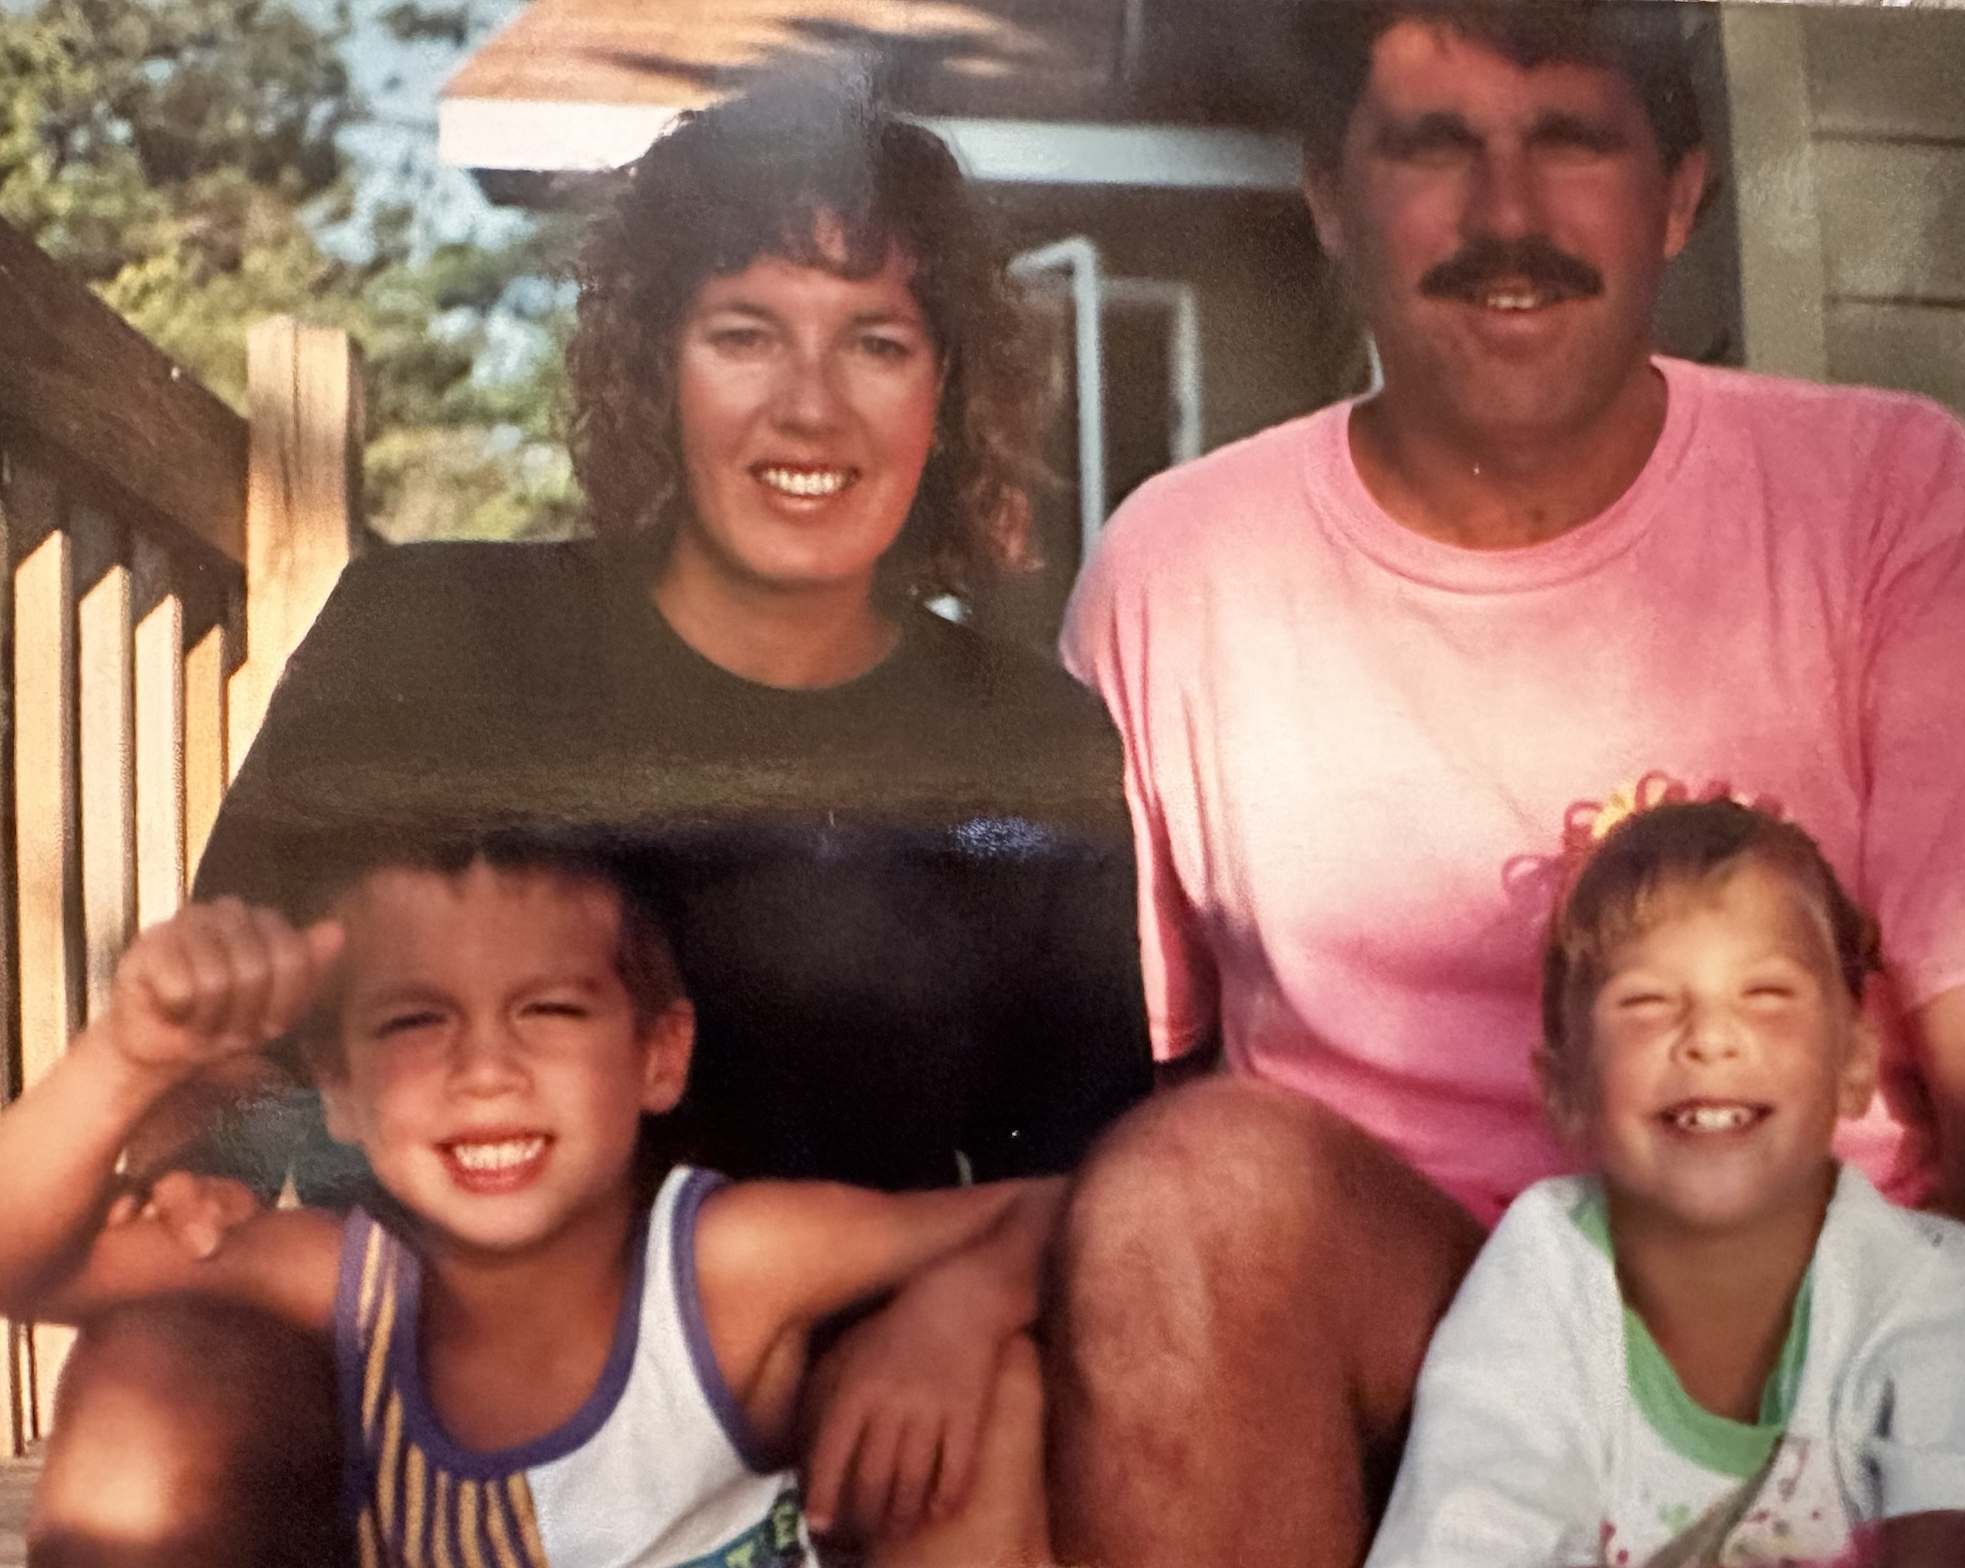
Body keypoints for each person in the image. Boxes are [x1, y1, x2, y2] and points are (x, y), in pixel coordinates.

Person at [1051, 3, 1965, 1564]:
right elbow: (1117, 1113)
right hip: (1397, 1364)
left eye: (1571, 139)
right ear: (1330, 198)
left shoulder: (1886, 502)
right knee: (1183, 1198)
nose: (1507, 219)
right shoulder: (1180, 568)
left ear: (1679, 197)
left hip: (1806, 1351)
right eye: (1434, 147)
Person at [57, 79, 1148, 1563]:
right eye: (744, 334)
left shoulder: (1026, 742)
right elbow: (239, 1035)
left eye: (874, 343)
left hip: (792, 1387)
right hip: (420, 1369)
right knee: (152, 1392)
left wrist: (967, 1300)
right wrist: (201, 1198)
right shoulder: (428, 633)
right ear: (657, 366)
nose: (808, 405)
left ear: (945, 393)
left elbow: (1094, 1171)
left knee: (997, 1400)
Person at [0, 838, 1060, 1568]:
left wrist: (959, 1306)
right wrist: (128, 1055)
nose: (486, 1068)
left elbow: (1068, 1206)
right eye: (418, 1020)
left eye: (548, 1009)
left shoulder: (726, 1267)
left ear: (658, 1054)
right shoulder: (342, 1286)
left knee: (998, 1384)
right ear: (339, 1088)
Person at [1366, 798, 1965, 1567]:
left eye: (1765, 996)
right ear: (1564, 1086)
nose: (1710, 1038)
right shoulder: (1545, 1272)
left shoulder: (1938, 1290)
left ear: (1855, 1061)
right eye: (1648, 1004)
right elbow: (1472, 1531)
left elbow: (1961, 1542)